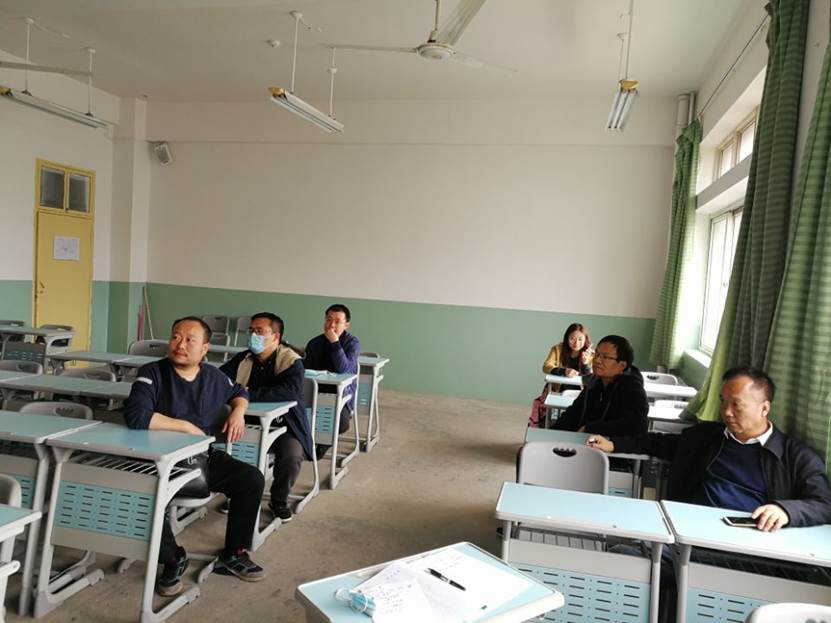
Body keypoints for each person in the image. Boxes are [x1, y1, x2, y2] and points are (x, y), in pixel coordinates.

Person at [123, 316, 267, 597]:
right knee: (145, 494)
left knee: (251, 479)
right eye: (176, 337)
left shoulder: (213, 377)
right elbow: (136, 415)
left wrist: (238, 411)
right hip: (157, 461)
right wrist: (186, 427)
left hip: (201, 457)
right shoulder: (152, 372)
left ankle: (234, 553)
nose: (180, 344)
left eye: (190, 340)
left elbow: (239, 392)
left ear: (204, 349)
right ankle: (172, 558)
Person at [588, 365, 831, 530]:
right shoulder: (706, 437)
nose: (726, 412)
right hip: (688, 533)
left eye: (736, 405)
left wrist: (786, 511)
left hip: (750, 547)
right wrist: (614, 444)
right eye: (723, 402)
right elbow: (658, 442)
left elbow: (824, 504)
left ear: (764, 408)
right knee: (628, 558)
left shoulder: (795, 457)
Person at [220, 312, 311, 523]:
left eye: (259, 331)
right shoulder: (243, 359)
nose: (253, 335)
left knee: (291, 455)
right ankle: (239, 494)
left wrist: (247, 394)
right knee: (230, 445)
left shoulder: (291, 361)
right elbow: (220, 380)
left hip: (285, 424)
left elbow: (289, 391)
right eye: (251, 330)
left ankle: (279, 500)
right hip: (248, 420)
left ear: (275, 337)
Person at [552, 334, 648, 436]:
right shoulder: (594, 382)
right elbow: (573, 414)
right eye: (596, 354)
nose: (597, 360)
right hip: (588, 441)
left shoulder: (632, 387)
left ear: (622, 365)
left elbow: (637, 425)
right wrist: (552, 433)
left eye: (605, 357)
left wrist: (591, 428)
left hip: (614, 444)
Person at [303, 304, 360, 457]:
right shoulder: (314, 343)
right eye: (328, 319)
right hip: (315, 392)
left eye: (337, 321)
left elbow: (343, 369)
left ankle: (322, 446)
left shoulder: (352, 343)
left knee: (340, 423)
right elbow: (305, 372)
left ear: (346, 325)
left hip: (341, 395)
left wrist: (335, 343)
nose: (332, 325)